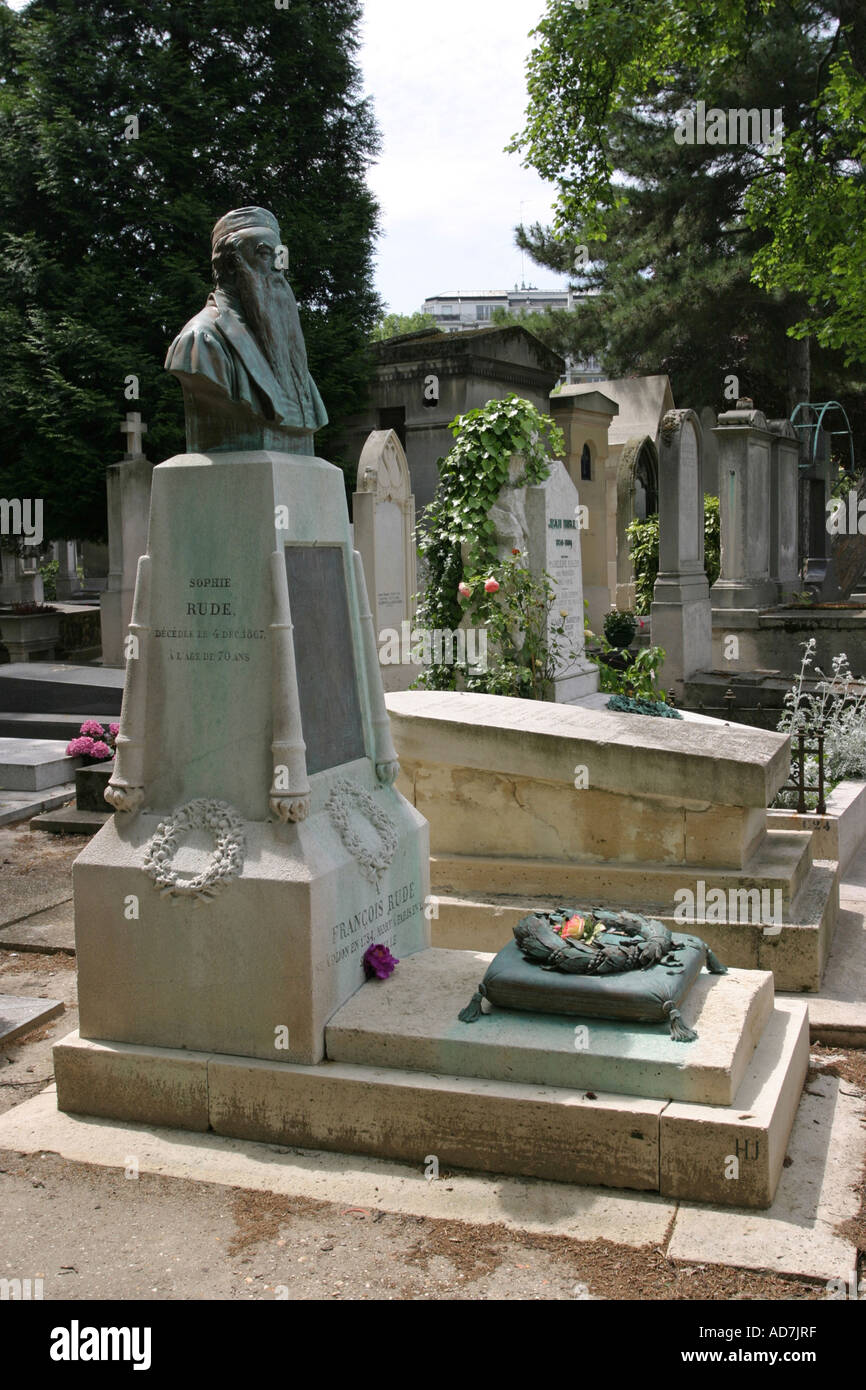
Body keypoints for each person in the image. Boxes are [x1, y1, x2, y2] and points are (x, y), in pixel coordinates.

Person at [165, 207, 327, 447]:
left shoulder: (284, 352)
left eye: (280, 256)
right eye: (264, 254)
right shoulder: (200, 340)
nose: (277, 268)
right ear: (231, 265)